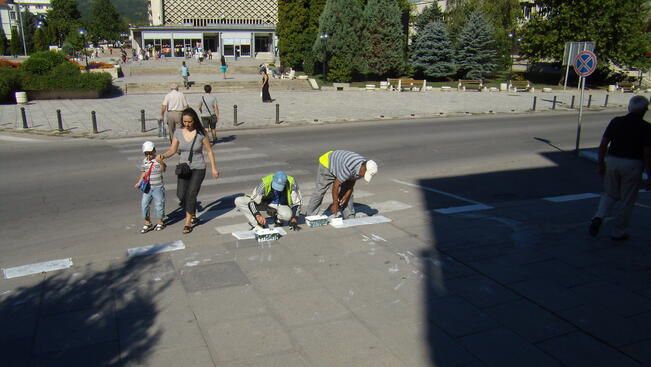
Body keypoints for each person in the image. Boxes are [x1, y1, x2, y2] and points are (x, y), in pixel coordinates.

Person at [589, 95, 651, 240]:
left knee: (610, 193)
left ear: (629, 107)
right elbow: (647, 154)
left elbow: (603, 144)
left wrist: (600, 164)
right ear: (645, 110)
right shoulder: (647, 128)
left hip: (612, 161)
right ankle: (618, 231)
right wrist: (649, 176)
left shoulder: (616, 121)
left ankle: (599, 216)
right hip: (633, 164)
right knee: (627, 199)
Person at [157, 108, 220, 234]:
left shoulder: (201, 134)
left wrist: (214, 168)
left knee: (191, 194)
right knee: (181, 195)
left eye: (189, 122)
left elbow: (209, 151)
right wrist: (163, 156)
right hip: (184, 168)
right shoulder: (178, 133)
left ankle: (188, 222)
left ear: (194, 121)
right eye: (184, 121)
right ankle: (192, 210)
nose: (187, 124)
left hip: (198, 168)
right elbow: (173, 150)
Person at [304, 150, 378, 219]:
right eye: (365, 174)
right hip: (328, 163)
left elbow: (352, 182)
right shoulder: (349, 168)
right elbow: (335, 186)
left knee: (348, 192)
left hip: (341, 165)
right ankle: (310, 216)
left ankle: (349, 216)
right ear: (363, 168)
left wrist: (346, 196)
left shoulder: (361, 168)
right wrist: (335, 204)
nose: (363, 176)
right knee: (320, 191)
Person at [235, 171, 302, 231]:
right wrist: (257, 215)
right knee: (239, 201)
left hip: (281, 204)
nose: (278, 190)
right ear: (273, 180)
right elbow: (252, 201)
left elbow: (297, 203)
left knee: (287, 215)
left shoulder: (291, 182)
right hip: (264, 203)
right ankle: (257, 225)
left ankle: (279, 221)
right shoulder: (264, 182)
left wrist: (294, 219)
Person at [134, 141, 166, 233]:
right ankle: (147, 223)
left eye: (150, 153)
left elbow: (163, 170)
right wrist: (139, 182)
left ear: (154, 150)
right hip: (148, 187)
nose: (149, 155)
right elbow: (143, 172)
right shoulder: (144, 161)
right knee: (144, 204)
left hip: (158, 187)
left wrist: (161, 162)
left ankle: (160, 222)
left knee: (159, 204)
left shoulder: (158, 159)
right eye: (146, 153)